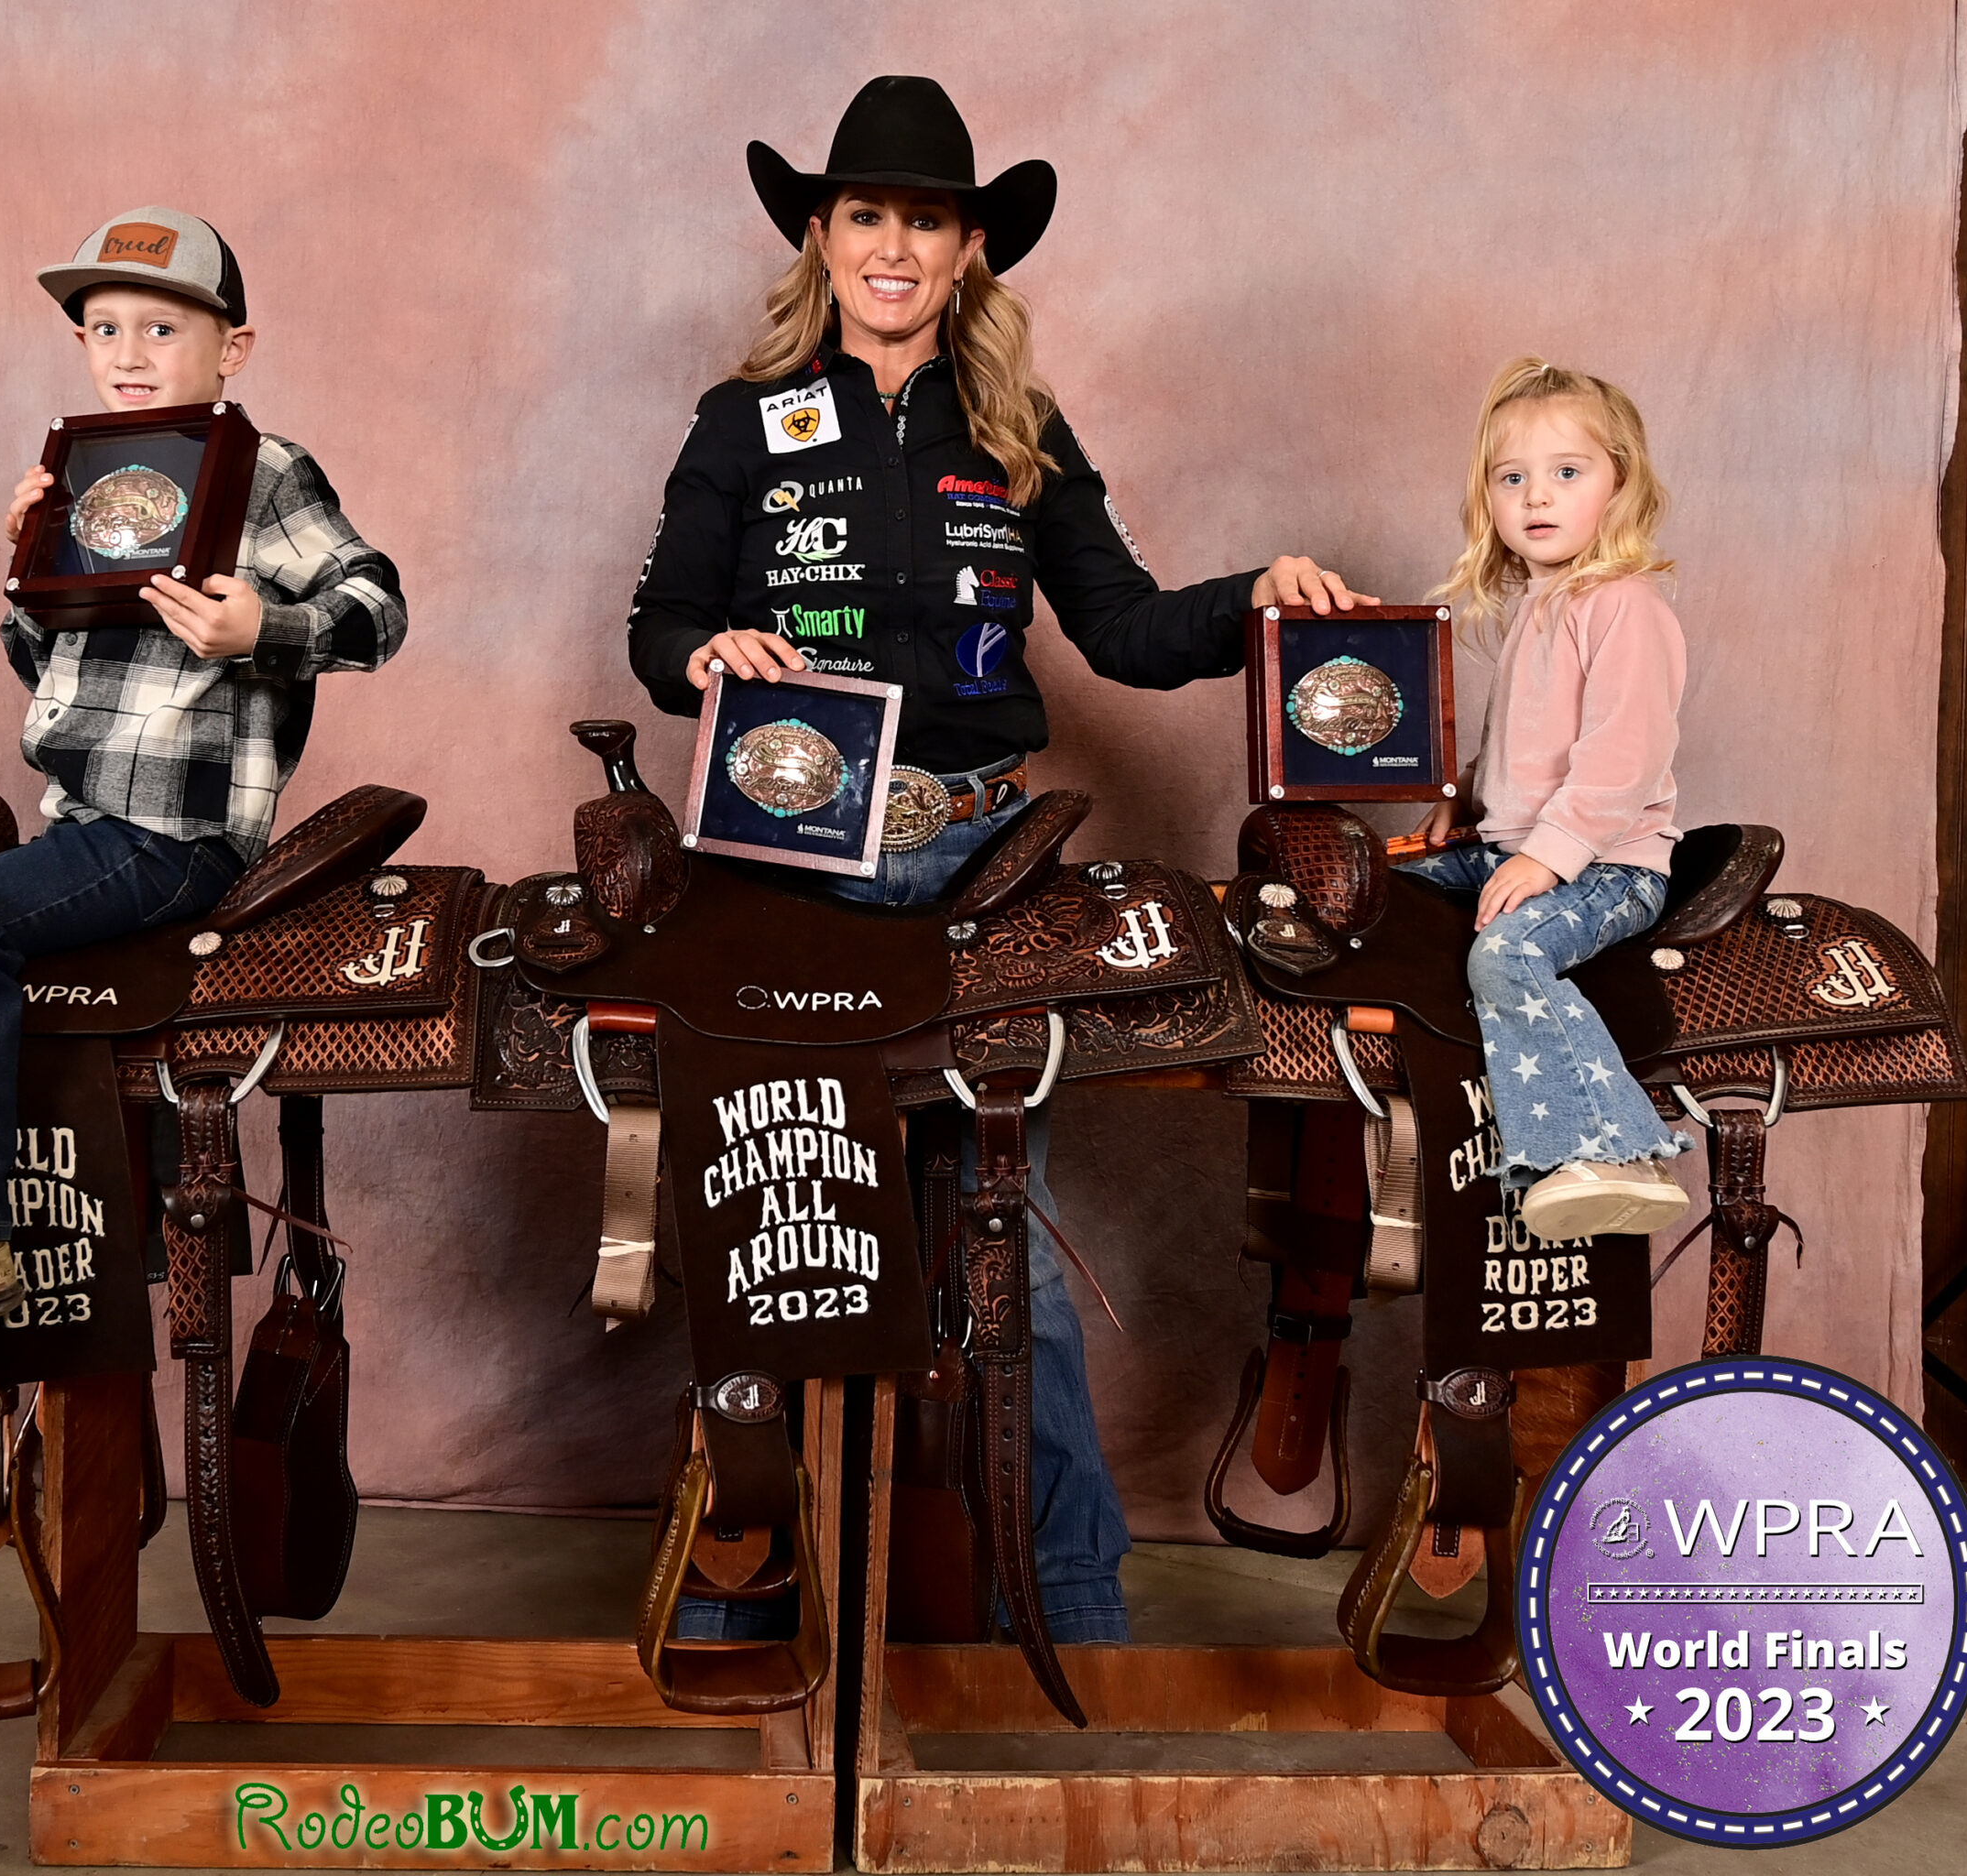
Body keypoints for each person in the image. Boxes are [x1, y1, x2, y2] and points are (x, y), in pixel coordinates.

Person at [627, 76, 1372, 1642]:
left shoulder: (1017, 432)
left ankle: (1073, 1609)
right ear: (823, 239)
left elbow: (1120, 625)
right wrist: (714, 649)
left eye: (927, 220)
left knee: (1003, 1254)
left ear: (970, 249)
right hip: (797, 853)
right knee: (784, 1222)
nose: (894, 245)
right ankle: (751, 1609)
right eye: (866, 215)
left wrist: (1258, 598)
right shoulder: (744, 423)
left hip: (976, 855)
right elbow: (659, 624)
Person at [0, 205, 407, 1363]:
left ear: (233, 349)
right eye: (101, 327)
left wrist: (265, 625)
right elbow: (47, 672)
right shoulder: (92, 479)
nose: (124, 352)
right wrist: (26, 577)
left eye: (160, 328)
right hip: (88, 809)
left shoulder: (265, 471)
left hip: (174, 822)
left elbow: (377, 605)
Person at [1401, 356, 1694, 1243]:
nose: (1538, 496)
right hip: (1522, 843)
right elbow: (1528, 739)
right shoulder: (1540, 601)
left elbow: (1621, 757)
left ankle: (1608, 1146)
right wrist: (1464, 796)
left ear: (1619, 482)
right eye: (1512, 477)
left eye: (1567, 473)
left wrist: (1544, 856)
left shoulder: (1624, 604)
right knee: (1384, 905)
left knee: (1505, 958)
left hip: (1606, 863)